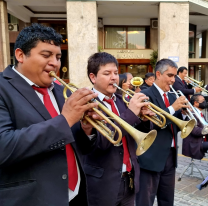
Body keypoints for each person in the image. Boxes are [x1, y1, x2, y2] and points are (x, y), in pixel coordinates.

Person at [0, 23, 100, 206]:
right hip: (32, 199)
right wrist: (66, 119)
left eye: (58, 57)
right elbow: (4, 147)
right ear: (20, 55)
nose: (55, 62)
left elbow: (73, 144)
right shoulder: (2, 87)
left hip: (74, 195)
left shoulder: (61, 91)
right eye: (46, 55)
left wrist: (86, 129)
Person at [74, 52, 155, 206]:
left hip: (128, 181)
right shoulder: (88, 105)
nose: (114, 77)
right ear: (93, 77)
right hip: (103, 185)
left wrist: (144, 118)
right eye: (107, 73)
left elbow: (138, 132)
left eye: (116, 73)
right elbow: (102, 142)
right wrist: (131, 113)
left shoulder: (122, 100)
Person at [136, 59, 189, 206]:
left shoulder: (172, 96)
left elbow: (177, 126)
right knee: (145, 201)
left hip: (170, 157)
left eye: (174, 77)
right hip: (151, 158)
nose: (173, 80)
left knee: (167, 201)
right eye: (170, 76)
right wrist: (173, 108)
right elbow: (151, 125)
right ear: (158, 74)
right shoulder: (146, 95)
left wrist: (184, 115)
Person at [182, 94, 208, 159]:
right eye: (203, 101)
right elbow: (195, 131)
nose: (205, 102)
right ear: (196, 103)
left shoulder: (200, 113)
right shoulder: (192, 113)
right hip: (194, 144)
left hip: (201, 141)